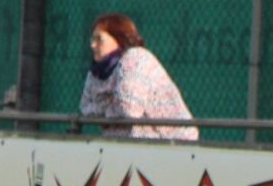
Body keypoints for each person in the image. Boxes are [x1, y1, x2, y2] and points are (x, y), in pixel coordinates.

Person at [78, 13, 199, 141]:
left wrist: (105, 110)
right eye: (92, 39)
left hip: (172, 143)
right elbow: (85, 107)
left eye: (99, 39)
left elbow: (129, 110)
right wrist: (114, 106)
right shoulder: (95, 71)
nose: (93, 45)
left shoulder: (135, 58)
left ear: (118, 39)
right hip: (123, 144)